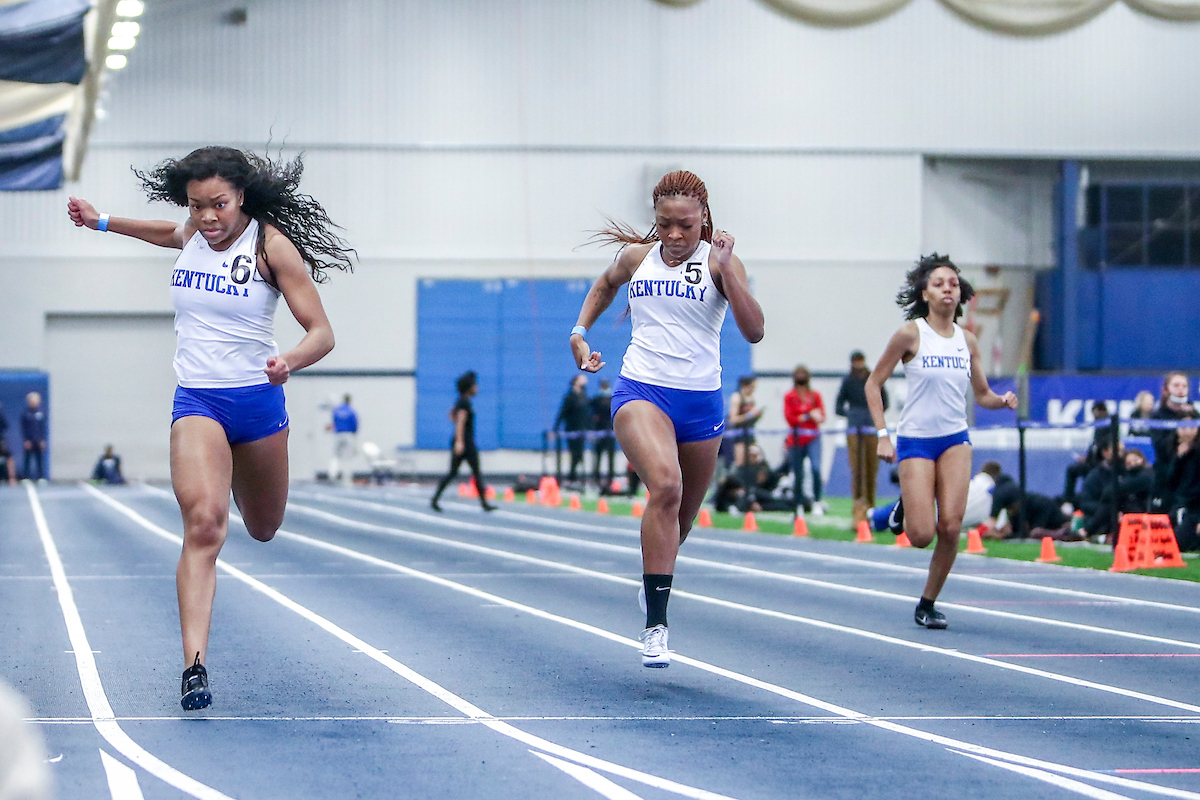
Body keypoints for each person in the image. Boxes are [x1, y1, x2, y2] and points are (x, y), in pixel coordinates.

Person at [67, 146, 350, 710]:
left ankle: (242, 481)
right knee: (203, 526)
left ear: (241, 197)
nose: (207, 219)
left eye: (218, 205)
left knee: (265, 526)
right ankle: (194, 664)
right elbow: (160, 232)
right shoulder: (193, 236)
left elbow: (322, 330)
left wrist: (288, 362)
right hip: (198, 400)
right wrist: (101, 221)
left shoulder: (271, 247)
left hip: (259, 404)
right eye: (196, 208)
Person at [570, 170, 763, 667]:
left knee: (682, 519)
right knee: (666, 486)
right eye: (664, 225)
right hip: (641, 389)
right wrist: (579, 331)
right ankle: (656, 625)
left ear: (704, 219)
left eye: (685, 226)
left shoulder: (721, 263)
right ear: (655, 220)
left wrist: (726, 270)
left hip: (701, 401)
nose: (675, 236)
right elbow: (604, 284)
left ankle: (655, 577)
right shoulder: (638, 258)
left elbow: (755, 330)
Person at [865, 253, 1017, 630]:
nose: (947, 289)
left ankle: (927, 603)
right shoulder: (910, 334)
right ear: (925, 292)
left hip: (954, 439)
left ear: (960, 293)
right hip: (916, 439)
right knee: (920, 535)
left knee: (951, 526)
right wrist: (883, 435)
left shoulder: (968, 340)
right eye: (938, 284)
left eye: (952, 283)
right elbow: (873, 383)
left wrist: (999, 401)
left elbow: (980, 394)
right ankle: (903, 508)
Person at [430, 371, 496, 513]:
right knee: (470, 472)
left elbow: (451, 415)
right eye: (475, 385)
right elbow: (460, 422)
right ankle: (484, 503)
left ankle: (435, 499)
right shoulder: (465, 402)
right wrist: (460, 442)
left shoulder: (461, 401)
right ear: (469, 387)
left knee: (458, 472)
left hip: (463, 441)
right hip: (466, 442)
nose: (477, 388)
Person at [837, 350, 887, 526]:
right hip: (854, 428)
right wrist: (851, 415)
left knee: (871, 468)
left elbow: (884, 401)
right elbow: (838, 405)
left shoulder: (872, 378)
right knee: (857, 469)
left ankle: (871, 506)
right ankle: (858, 506)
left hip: (871, 427)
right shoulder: (848, 381)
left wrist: (874, 414)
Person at [783, 365, 825, 516]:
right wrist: (808, 415)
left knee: (815, 469)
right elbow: (791, 419)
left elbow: (821, 416)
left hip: (813, 437)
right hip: (795, 440)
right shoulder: (790, 396)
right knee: (798, 473)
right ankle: (798, 504)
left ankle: (817, 501)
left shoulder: (815, 396)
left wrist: (808, 416)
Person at [1151, 372, 1196, 511]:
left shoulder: (1194, 414)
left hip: (1191, 475)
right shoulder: (1158, 416)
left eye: (1184, 386)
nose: (1180, 389)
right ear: (1166, 389)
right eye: (1176, 385)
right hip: (1167, 475)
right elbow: (1160, 447)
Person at [1063, 401, 1112, 509]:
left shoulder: (1109, 425)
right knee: (1072, 470)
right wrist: (1087, 458)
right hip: (1091, 462)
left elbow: (1102, 448)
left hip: (1099, 465)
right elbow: (1094, 447)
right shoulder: (1098, 426)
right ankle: (1068, 501)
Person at [1168, 423, 1200, 551]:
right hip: (1180, 504)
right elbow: (1169, 481)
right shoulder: (1170, 449)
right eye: (1183, 428)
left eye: (1191, 427)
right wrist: (1179, 458)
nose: (1187, 432)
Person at [554, 374, 591, 484]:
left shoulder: (584, 395)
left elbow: (587, 414)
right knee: (574, 452)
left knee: (580, 453)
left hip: (582, 429)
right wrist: (556, 427)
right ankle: (572, 476)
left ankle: (575, 476)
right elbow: (563, 412)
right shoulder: (570, 397)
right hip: (572, 428)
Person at [727, 375, 763, 467]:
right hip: (739, 434)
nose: (753, 390)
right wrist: (749, 415)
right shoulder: (737, 398)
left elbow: (751, 419)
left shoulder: (751, 398)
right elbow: (733, 419)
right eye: (752, 387)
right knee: (741, 462)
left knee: (755, 458)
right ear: (745, 386)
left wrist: (757, 416)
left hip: (750, 433)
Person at [591, 378, 617, 492]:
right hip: (600, 431)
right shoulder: (596, 400)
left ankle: (610, 478)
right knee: (598, 456)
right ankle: (596, 477)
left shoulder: (613, 398)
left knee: (610, 456)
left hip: (610, 431)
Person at [328, 393, 358, 483]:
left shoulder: (336, 411)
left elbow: (334, 422)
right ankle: (347, 476)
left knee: (335, 456)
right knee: (348, 457)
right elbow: (355, 425)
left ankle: (332, 474)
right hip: (348, 434)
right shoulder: (352, 411)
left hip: (338, 435)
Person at [20, 392, 47, 481]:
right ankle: (26, 477)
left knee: (39, 459)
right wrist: (26, 440)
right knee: (27, 459)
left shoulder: (41, 413)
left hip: (38, 440)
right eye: (32, 401)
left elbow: (43, 427)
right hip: (29, 440)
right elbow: (23, 428)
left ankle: (41, 477)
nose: (34, 402)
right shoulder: (25, 414)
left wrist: (43, 439)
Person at [0, 401, 16, 485]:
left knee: (9, 456)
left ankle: (12, 478)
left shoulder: (1, 416)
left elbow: (5, 426)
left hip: (0, 439)